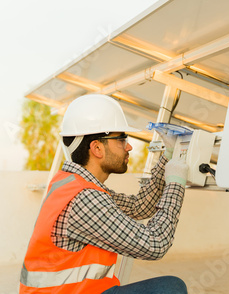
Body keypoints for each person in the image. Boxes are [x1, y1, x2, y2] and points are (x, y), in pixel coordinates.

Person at [19, 94, 188, 294]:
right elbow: (156, 244)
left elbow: (139, 207)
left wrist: (167, 157)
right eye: (121, 139)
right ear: (97, 148)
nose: (129, 146)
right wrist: (175, 184)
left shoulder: (74, 184)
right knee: (171, 289)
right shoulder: (85, 199)